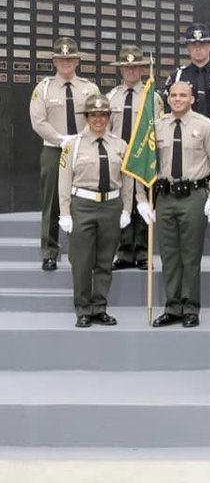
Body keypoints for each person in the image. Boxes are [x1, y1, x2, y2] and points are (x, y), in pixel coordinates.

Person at [140, 81, 210, 328]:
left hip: (193, 195)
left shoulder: (205, 125)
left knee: (190, 254)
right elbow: (146, 163)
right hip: (165, 197)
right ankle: (172, 306)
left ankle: (190, 307)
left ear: (192, 99)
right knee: (169, 255)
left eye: (183, 95)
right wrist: (143, 200)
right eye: (173, 95)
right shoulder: (157, 126)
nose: (177, 99)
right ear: (167, 99)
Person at [165, 23, 210, 269]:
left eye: (202, 44)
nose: (198, 49)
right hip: (187, 145)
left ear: (209, 46)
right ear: (188, 48)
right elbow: (171, 109)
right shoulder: (177, 76)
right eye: (193, 45)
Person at [57, 95, 134, 328]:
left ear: (109, 117)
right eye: (93, 115)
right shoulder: (73, 145)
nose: (98, 119)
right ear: (87, 118)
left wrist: (126, 210)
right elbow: (64, 180)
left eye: (102, 115)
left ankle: (99, 306)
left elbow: (128, 181)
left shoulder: (120, 145)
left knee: (104, 260)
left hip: (111, 206)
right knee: (81, 261)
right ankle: (82, 308)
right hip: (83, 206)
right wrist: (65, 213)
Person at [30, 37, 101, 270]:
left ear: (77, 61)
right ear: (54, 61)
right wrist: (62, 140)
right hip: (54, 150)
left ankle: (83, 252)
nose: (66, 62)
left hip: (84, 151)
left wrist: (81, 140)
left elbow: (98, 117)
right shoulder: (44, 88)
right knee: (52, 202)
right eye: (61, 59)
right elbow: (38, 121)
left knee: (83, 201)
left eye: (70, 58)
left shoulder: (89, 88)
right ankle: (50, 251)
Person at [107, 45, 158, 270]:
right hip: (120, 159)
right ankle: (124, 252)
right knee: (122, 205)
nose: (130, 71)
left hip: (142, 157)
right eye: (126, 67)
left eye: (135, 67)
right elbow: (106, 129)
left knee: (142, 204)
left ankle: (143, 253)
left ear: (141, 70)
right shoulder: (111, 97)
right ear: (121, 70)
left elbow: (157, 127)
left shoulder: (152, 97)